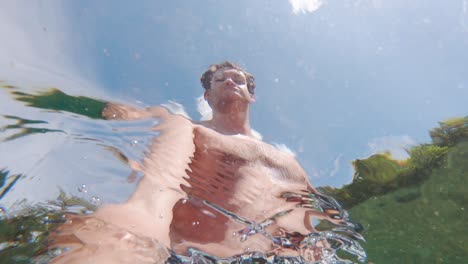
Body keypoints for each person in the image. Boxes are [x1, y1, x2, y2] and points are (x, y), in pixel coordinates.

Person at [49, 61, 340, 263]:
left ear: (251, 95)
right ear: (207, 95)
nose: (230, 80)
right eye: (220, 79)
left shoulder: (288, 163)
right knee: (137, 218)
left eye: (238, 79)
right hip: (191, 255)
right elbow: (126, 120)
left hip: (276, 257)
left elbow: (313, 224)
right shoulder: (189, 129)